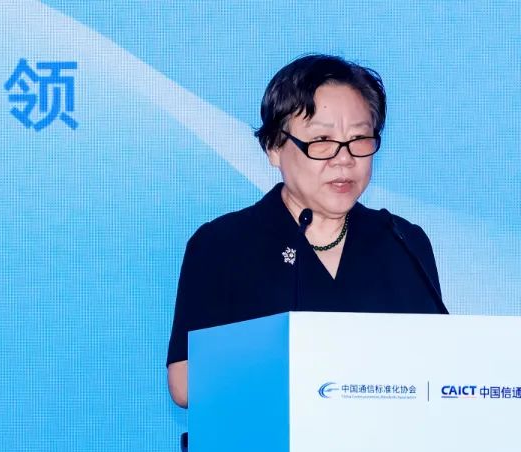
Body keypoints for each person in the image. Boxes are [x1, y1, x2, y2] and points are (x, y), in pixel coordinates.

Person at [166, 54, 447, 407]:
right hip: (264, 438)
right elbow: (186, 382)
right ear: (274, 147)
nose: (344, 158)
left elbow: (441, 369)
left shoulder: (402, 241)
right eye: (322, 140)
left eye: (360, 138)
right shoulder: (223, 244)